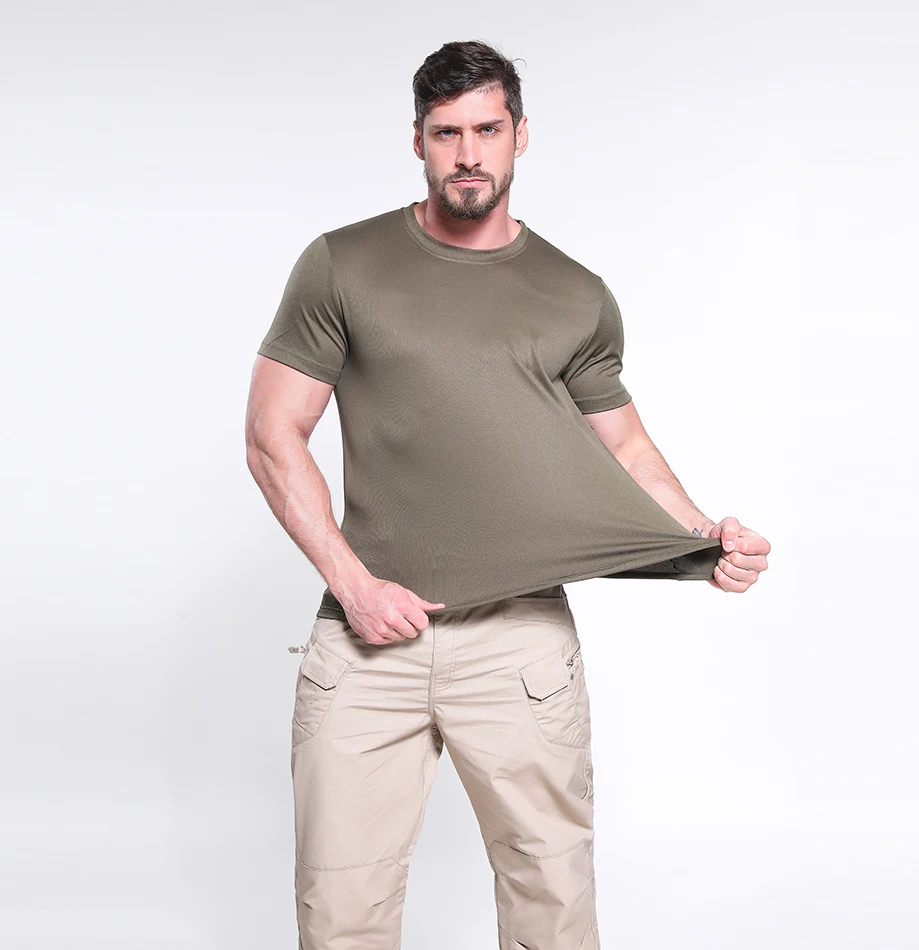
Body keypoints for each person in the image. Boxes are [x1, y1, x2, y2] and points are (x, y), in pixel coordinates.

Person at [245, 39, 770, 950]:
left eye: (487, 129)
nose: (468, 153)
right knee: (340, 914)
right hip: (367, 640)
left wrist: (703, 537)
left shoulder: (574, 293)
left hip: (520, 642)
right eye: (446, 133)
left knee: (551, 907)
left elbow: (626, 446)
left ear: (521, 134)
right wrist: (354, 587)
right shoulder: (342, 264)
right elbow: (271, 435)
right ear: (418, 140)